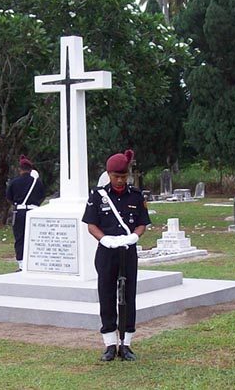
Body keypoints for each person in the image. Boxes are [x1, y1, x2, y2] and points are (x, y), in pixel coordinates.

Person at [82, 150, 150, 362]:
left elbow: (141, 223)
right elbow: (91, 225)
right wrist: (104, 239)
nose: (120, 180)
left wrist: (134, 237)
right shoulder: (98, 195)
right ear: (108, 174)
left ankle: (126, 344)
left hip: (127, 252)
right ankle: (110, 344)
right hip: (107, 252)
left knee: (129, 295)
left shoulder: (136, 196)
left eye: (123, 176)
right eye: (116, 176)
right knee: (107, 295)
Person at [5, 155, 45, 271]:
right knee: (35, 237)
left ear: (20, 169)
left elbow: (9, 197)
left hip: (20, 212)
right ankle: (34, 262)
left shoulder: (14, 182)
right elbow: (42, 196)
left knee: (20, 237)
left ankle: (21, 264)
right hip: (34, 211)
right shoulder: (37, 182)